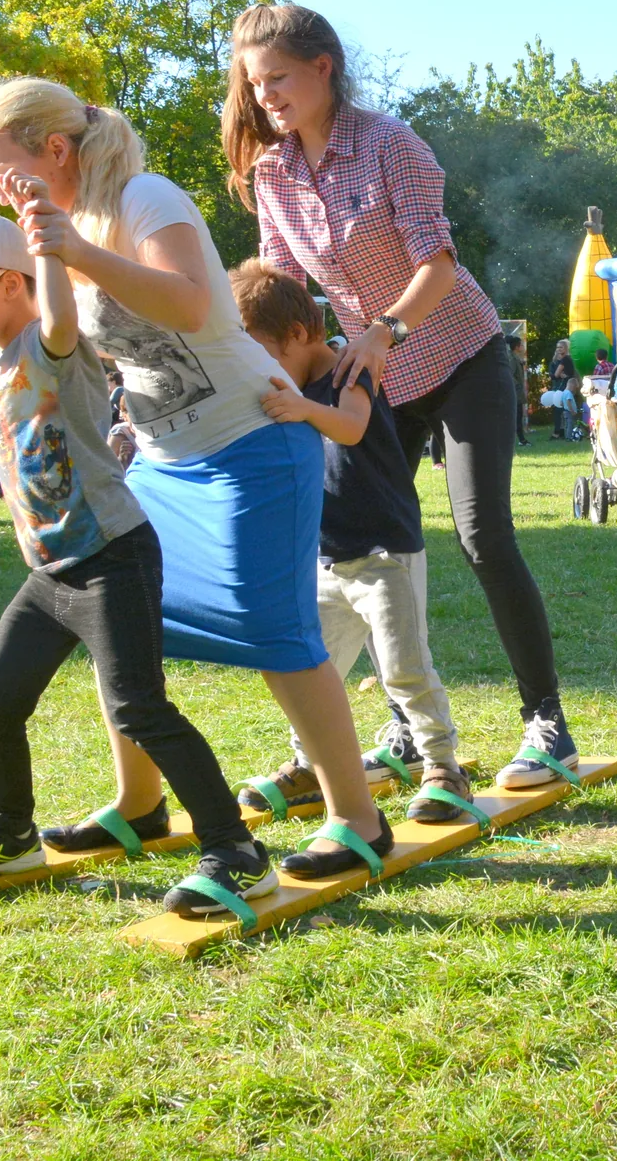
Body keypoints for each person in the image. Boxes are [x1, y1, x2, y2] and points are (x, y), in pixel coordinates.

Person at [0, 78, 389, 912]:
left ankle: (357, 818)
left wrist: (73, 250)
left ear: (53, 150)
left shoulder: (142, 198)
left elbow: (198, 304)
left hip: (254, 436)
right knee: (122, 626)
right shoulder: (66, 225)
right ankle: (140, 803)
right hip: (162, 458)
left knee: (277, 630)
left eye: (1, 168)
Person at [0, 212, 287, 910]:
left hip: (112, 555)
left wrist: (44, 226)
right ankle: (10, 833)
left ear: (11, 283)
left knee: (139, 708)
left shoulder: (51, 344)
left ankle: (236, 849)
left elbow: (60, 306)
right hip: (54, 571)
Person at [229, 5, 580, 788]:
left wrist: (385, 330)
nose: (266, 97)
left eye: (278, 77)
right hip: (367, 374)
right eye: (256, 85)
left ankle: (547, 724)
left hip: (457, 354)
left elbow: (439, 263)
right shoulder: (273, 172)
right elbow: (282, 289)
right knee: (363, 545)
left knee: (481, 533)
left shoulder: (392, 144)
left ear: (323, 67)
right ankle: (394, 734)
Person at [230, 260, 474, 824]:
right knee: (311, 670)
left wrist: (303, 409)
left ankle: (442, 766)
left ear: (296, 334)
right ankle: (309, 766)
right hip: (322, 558)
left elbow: (350, 426)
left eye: (259, 351)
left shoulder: (350, 367)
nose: (257, 369)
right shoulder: (280, 384)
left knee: (405, 669)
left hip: (384, 552)